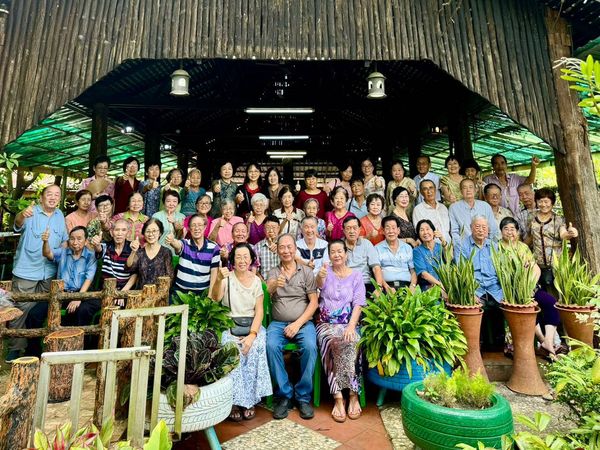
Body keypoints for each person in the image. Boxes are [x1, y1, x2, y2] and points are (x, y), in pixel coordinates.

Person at [6, 185, 69, 361]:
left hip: (49, 271)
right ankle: (16, 348)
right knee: (20, 310)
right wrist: (21, 215)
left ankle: (33, 347)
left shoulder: (59, 215)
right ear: (42, 197)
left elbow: (64, 241)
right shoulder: (31, 211)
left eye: (57, 195)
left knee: (39, 312)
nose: (53, 197)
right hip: (26, 270)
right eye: (49, 194)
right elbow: (18, 225)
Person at [210, 243, 272, 421]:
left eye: (246, 256)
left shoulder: (256, 281)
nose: (243, 260)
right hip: (229, 324)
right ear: (232, 260)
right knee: (231, 348)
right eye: (238, 257)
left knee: (255, 347)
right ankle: (234, 401)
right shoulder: (227, 278)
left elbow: (259, 310)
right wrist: (218, 280)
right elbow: (216, 298)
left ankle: (249, 400)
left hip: (253, 326)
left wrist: (252, 335)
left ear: (252, 259)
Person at [266, 234, 319, 420]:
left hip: (303, 323)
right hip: (278, 323)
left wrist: (297, 324)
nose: (286, 251)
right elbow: (268, 291)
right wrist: (274, 285)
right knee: (271, 346)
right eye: (282, 247)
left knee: (311, 347)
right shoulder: (273, 272)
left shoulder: (306, 272)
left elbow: (313, 302)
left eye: (289, 247)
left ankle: (303, 397)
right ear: (277, 250)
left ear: (295, 248)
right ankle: (284, 395)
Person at [315, 240, 366, 422]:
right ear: (329, 255)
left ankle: (353, 394)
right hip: (326, 324)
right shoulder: (324, 272)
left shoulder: (356, 275)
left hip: (349, 323)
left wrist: (352, 326)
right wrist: (320, 276)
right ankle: (338, 397)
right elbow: (318, 286)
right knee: (332, 342)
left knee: (351, 342)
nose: (336, 254)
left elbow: (358, 304)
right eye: (333, 252)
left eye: (339, 251)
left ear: (346, 254)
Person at [498, 217, 561, 360]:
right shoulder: (497, 248)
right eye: (506, 229)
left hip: (530, 287)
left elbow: (535, 268)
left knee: (550, 301)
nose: (510, 232)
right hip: (511, 290)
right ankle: (542, 340)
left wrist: (530, 285)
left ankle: (548, 341)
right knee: (528, 307)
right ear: (501, 232)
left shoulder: (523, 247)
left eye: (512, 229)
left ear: (518, 231)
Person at [454, 216, 504, 349]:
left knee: (500, 308)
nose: (481, 230)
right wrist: (470, 293)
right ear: (471, 228)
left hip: (495, 288)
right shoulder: (463, 246)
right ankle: (478, 347)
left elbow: (502, 270)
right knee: (477, 311)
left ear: (488, 230)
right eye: (477, 227)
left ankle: (498, 346)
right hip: (475, 289)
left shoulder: (494, 246)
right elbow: (461, 272)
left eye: (484, 227)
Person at [34, 226, 98, 327]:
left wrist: (78, 298)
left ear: (86, 241)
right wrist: (45, 241)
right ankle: (34, 343)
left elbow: (88, 279)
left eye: (79, 238)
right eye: (72, 239)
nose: (75, 242)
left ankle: (78, 341)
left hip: (82, 293)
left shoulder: (91, 256)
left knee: (80, 312)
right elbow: (47, 253)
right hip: (61, 293)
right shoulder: (63, 252)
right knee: (35, 313)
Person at [526, 187, 578, 294]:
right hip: (536, 265)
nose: (543, 204)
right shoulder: (531, 217)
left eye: (546, 201)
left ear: (552, 203)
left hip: (555, 265)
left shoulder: (558, 219)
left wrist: (570, 233)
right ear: (536, 202)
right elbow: (530, 237)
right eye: (540, 201)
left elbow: (563, 234)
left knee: (555, 295)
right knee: (538, 296)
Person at [167, 214, 220, 294]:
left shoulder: (213, 247)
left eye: (199, 225)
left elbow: (214, 273)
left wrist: (210, 295)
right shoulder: (185, 244)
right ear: (189, 228)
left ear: (205, 227)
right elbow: (177, 245)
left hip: (202, 294)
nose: (196, 228)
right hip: (180, 292)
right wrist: (172, 241)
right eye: (193, 225)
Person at [90, 219, 137, 306]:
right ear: (112, 232)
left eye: (123, 230)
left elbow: (135, 275)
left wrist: (122, 294)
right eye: (117, 230)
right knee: (84, 308)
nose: (119, 233)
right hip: (105, 291)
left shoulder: (132, 248)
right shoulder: (106, 246)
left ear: (128, 233)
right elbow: (99, 249)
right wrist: (96, 245)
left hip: (124, 292)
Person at [126, 218, 174, 288]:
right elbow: (129, 267)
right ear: (144, 233)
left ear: (160, 233)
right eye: (147, 231)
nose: (151, 234)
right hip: (141, 294)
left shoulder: (166, 252)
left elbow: (170, 277)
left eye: (154, 231)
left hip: (159, 294)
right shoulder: (140, 253)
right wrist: (133, 251)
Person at [342, 216, 383, 294]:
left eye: (355, 228)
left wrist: (379, 287)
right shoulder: (339, 245)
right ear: (344, 231)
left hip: (365, 283)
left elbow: (376, 267)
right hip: (345, 284)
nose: (352, 231)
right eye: (348, 228)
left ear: (359, 229)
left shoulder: (366, 244)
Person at [376, 216, 417, 293]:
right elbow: (377, 271)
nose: (391, 231)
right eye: (387, 228)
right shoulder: (377, 248)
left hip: (406, 286)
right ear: (383, 231)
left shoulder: (407, 248)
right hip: (386, 287)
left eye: (393, 228)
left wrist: (412, 286)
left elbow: (413, 270)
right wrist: (386, 287)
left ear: (398, 230)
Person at [449, 178, 499, 243]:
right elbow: (454, 232)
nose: (468, 190)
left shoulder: (485, 206)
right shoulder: (454, 208)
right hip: (465, 247)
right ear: (461, 191)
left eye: (471, 187)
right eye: (465, 188)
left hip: (485, 245)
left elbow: (493, 228)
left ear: (475, 190)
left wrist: (490, 245)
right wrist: (461, 248)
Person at [412, 179, 451, 244]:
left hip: (448, 246)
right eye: (425, 189)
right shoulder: (418, 209)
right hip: (432, 248)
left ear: (435, 190)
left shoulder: (443, 207)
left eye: (431, 188)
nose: (429, 191)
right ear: (421, 192)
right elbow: (419, 231)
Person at [413, 219, 447, 291]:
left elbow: (450, 259)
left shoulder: (440, 247)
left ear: (433, 231)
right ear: (419, 234)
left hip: (446, 285)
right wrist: (441, 287)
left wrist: (443, 240)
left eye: (428, 229)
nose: (425, 232)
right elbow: (423, 274)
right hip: (428, 289)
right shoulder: (417, 251)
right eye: (422, 230)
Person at [254, 215, 281, 280]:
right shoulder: (257, 246)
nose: (271, 230)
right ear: (264, 229)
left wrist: (279, 249)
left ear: (278, 228)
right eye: (268, 227)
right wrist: (264, 285)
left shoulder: (284, 245)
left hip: (282, 283)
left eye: (273, 227)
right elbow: (256, 270)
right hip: (264, 282)